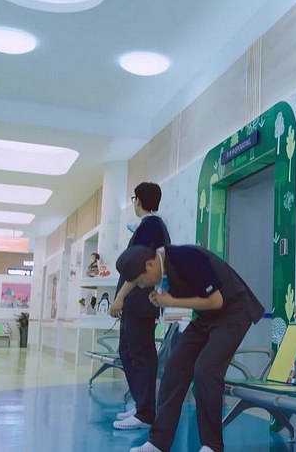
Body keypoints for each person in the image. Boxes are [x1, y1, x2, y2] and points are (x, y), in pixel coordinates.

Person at [116, 244, 265, 452]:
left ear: (150, 265)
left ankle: (212, 446)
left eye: (140, 281)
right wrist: (162, 299)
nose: (142, 286)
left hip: (234, 313)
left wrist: (171, 301)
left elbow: (216, 301)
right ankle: (158, 443)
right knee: (174, 369)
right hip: (207, 318)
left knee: (206, 370)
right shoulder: (162, 269)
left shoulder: (187, 258)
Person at [109, 182, 171, 430]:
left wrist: (121, 296)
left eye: (134, 198)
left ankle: (145, 413)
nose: (133, 202)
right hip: (136, 303)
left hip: (140, 302)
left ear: (140, 200)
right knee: (128, 350)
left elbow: (140, 267)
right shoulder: (148, 226)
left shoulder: (151, 225)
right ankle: (141, 404)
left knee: (140, 354)